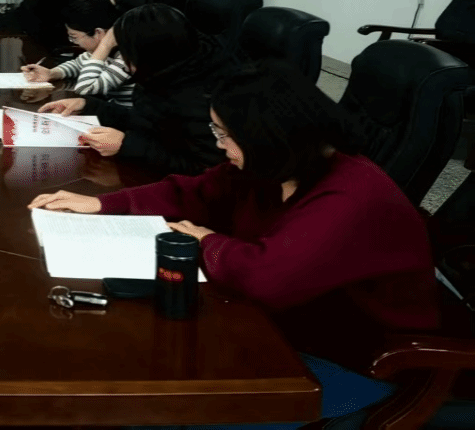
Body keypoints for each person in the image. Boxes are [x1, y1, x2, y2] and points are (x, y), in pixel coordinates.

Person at [30, 61, 439, 428]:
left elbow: (268, 279)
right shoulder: (276, 163)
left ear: (268, 136)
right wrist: (103, 204)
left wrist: (208, 240)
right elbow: (195, 191)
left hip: (349, 361)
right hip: (272, 325)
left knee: (149, 405)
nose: (219, 145)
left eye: (225, 134)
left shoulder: (351, 196)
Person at [41, 3, 238, 174]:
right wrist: (89, 105)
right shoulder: (165, 70)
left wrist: (127, 146)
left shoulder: (201, 96)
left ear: (149, 54)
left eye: (128, 54)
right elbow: (144, 120)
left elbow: (205, 169)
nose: (126, 62)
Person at [21, 0, 133, 105]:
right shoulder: (102, 51)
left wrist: (104, 46)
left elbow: (85, 89)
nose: (73, 42)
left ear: (98, 33)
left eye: (74, 37)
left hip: (127, 114)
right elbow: (77, 64)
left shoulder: (127, 57)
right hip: (112, 107)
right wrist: (51, 73)